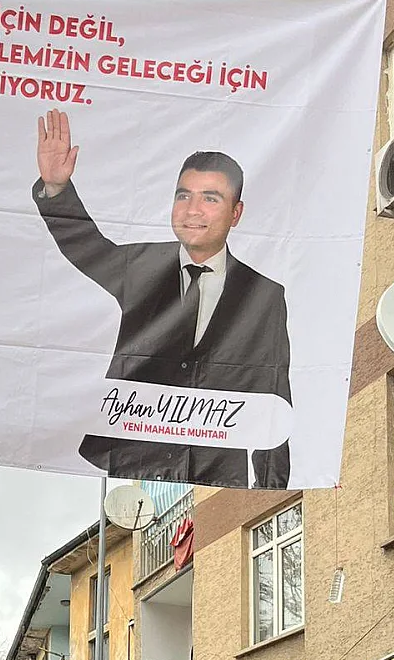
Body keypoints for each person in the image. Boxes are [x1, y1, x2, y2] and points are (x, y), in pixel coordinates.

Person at [33, 113, 291, 490]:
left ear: (236, 213)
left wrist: (271, 489)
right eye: (183, 195)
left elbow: (273, 391)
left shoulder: (264, 295)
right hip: (134, 459)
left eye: (211, 198)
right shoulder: (141, 267)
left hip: (214, 470)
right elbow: (86, 246)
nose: (193, 209)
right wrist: (57, 189)